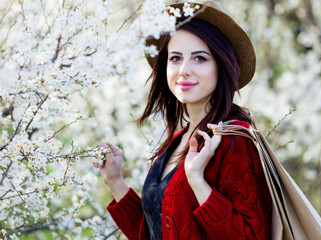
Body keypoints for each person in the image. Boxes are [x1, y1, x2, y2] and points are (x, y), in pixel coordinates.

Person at [93, 1, 272, 239]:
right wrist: (115, 182)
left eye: (199, 58)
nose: (184, 70)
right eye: (175, 58)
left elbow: (252, 236)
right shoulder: (178, 140)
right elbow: (155, 232)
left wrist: (197, 181)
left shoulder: (233, 141)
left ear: (222, 65)